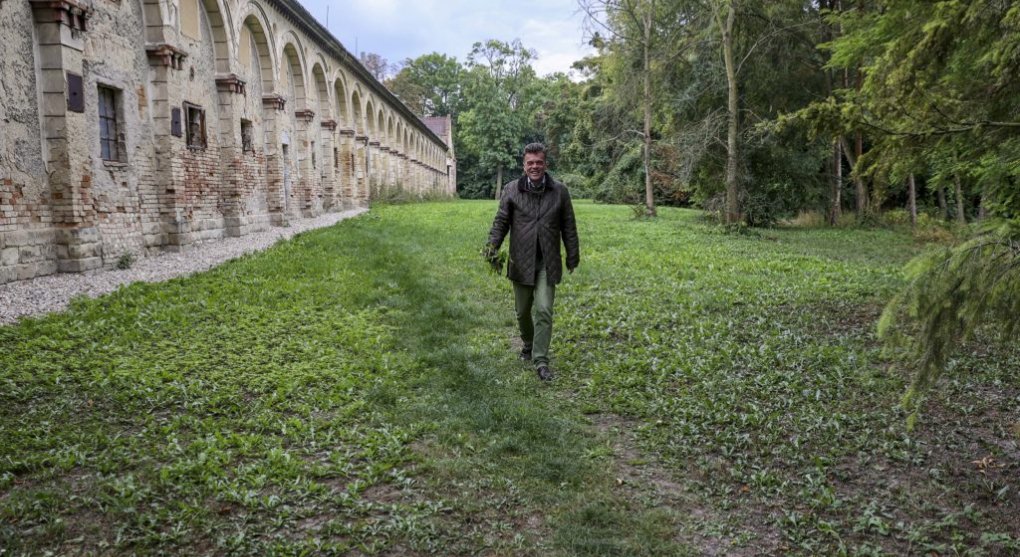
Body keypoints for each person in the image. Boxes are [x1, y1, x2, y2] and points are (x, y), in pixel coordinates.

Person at [485, 142, 580, 381]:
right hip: (520, 260)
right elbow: (501, 222)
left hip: (548, 261)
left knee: (544, 310)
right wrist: (492, 247)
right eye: (530, 163)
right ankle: (528, 343)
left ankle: (540, 360)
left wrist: (572, 254)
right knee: (522, 312)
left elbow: (569, 225)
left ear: (545, 164)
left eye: (539, 162)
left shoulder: (559, 191)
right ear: (524, 165)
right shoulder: (511, 190)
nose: (535, 166)